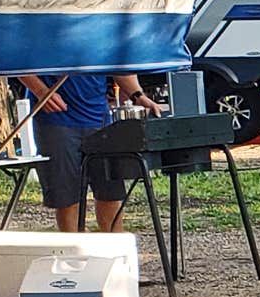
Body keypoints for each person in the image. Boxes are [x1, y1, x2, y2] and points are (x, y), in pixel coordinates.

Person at [15, 73, 162, 233]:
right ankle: (74, 246)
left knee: (110, 193)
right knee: (67, 199)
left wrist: (138, 95)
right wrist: (41, 91)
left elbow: (117, 63)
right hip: (55, 119)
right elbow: (17, 63)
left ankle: (113, 245)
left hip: (99, 118)